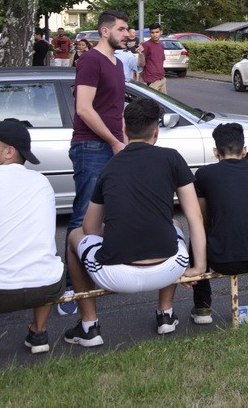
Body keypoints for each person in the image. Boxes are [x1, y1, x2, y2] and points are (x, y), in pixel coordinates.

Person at [63, 98, 207, 346]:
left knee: (75, 236)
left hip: (114, 275)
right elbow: (195, 216)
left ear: (124, 129)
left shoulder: (110, 166)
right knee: (176, 225)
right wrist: (199, 267)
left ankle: (89, 326)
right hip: (169, 269)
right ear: (156, 131)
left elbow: (91, 228)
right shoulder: (172, 158)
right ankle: (165, 314)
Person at [0, 120, 65, 368]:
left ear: (9, 152)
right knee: (46, 260)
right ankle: (39, 333)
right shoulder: (41, 182)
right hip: (48, 287)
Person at [59, 10, 129, 316]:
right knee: (82, 218)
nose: (128, 34)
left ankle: (97, 277)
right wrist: (113, 142)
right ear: (104, 31)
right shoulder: (90, 60)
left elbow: (117, 111)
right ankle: (72, 288)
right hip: (90, 146)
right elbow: (84, 109)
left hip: (113, 147)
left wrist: (124, 142)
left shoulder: (117, 63)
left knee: (104, 217)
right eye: (123, 29)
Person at [189, 123, 248, 324]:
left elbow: (204, 219)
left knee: (198, 234)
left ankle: (202, 309)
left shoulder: (204, 175)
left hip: (222, 261)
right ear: (244, 150)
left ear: (216, 152)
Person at [137, 23, 167, 93]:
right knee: (152, 103)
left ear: (161, 32)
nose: (155, 34)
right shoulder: (146, 45)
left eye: (157, 32)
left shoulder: (161, 45)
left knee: (163, 103)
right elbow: (141, 64)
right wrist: (140, 53)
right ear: (150, 33)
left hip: (162, 80)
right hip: (151, 82)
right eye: (152, 32)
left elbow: (160, 62)